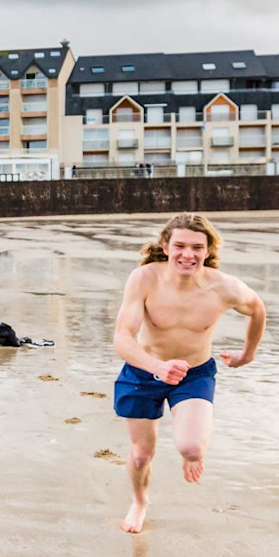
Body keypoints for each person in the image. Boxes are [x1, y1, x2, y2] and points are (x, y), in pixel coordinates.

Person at [110, 213, 265, 534]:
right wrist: (157, 367)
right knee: (141, 455)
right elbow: (122, 337)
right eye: (179, 245)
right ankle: (140, 501)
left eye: (197, 247)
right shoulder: (144, 279)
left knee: (192, 448)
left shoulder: (224, 287)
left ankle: (190, 447)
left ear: (208, 251)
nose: (188, 254)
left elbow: (258, 309)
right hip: (144, 373)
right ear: (165, 246)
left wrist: (247, 354)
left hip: (194, 373)